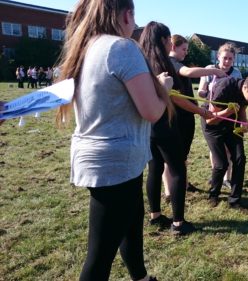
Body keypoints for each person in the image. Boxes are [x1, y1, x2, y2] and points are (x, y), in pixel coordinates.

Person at [55, 1, 172, 280]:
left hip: (108, 159)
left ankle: (141, 277)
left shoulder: (87, 47)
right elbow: (152, 111)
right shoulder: (121, 48)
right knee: (99, 257)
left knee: (132, 223)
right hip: (114, 163)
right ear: (127, 15)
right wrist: (164, 89)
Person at [139, 21, 211, 235]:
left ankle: (155, 216)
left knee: (155, 169)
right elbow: (176, 98)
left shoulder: (142, 62)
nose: (170, 43)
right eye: (169, 39)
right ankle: (178, 223)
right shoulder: (164, 64)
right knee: (178, 170)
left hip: (148, 126)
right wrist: (200, 111)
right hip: (165, 124)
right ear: (163, 40)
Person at [164, 34, 227, 196]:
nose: (186, 52)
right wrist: (213, 70)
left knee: (183, 154)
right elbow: (188, 72)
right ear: (173, 47)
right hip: (176, 116)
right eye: (183, 49)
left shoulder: (177, 62)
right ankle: (169, 190)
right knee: (170, 158)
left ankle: (183, 184)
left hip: (186, 115)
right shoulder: (171, 63)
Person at [202, 73, 248, 210]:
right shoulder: (224, 87)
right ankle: (213, 195)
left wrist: (244, 122)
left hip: (232, 123)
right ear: (245, 87)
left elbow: (243, 107)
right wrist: (228, 111)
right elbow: (210, 119)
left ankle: (235, 200)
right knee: (221, 164)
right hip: (213, 125)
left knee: (240, 159)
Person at [198, 42, 243, 188]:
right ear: (218, 57)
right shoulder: (209, 70)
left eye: (230, 58)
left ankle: (226, 179)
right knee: (216, 149)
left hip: (229, 114)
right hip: (212, 113)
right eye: (225, 58)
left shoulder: (236, 73)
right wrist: (208, 93)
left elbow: (239, 94)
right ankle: (216, 175)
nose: (227, 61)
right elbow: (201, 90)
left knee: (229, 149)